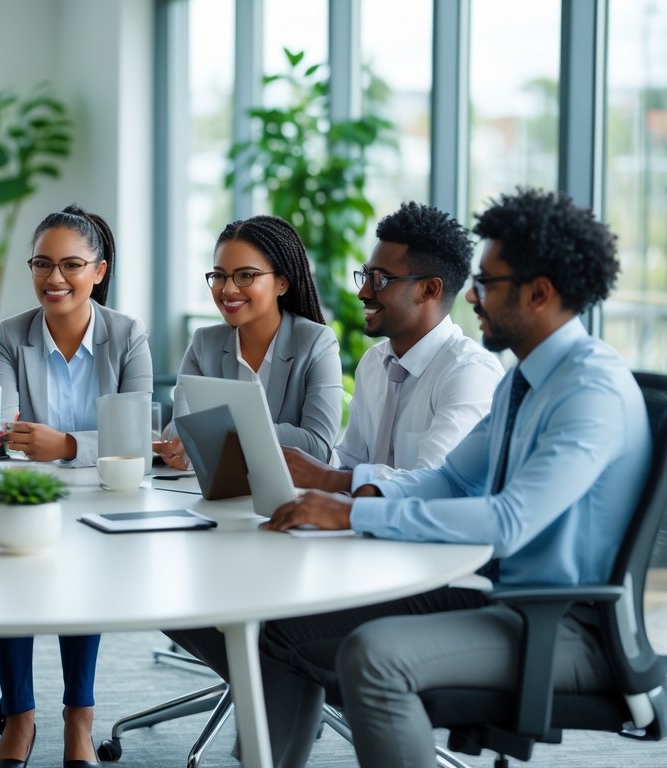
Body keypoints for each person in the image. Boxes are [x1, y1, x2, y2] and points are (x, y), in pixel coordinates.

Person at [253, 187, 648, 768]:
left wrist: (354, 512)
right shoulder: (525, 380)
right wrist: (348, 493)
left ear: (539, 293)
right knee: (278, 620)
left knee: (375, 655)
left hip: (566, 624)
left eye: (488, 284)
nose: (473, 297)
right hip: (499, 595)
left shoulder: (590, 390)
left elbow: (511, 521)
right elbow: (448, 479)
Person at [0, 205, 152, 768]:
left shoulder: (128, 335)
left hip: (105, 491)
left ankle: (79, 715)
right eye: (42, 264)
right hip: (25, 488)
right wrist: (75, 440)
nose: (55, 279)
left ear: (99, 271)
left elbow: (137, 436)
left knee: (85, 579)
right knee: (9, 575)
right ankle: (20, 714)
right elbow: (3, 433)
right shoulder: (12, 334)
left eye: (71, 265)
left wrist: (66, 445)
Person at [283, 201, 503, 491]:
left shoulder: (469, 373)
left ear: (429, 290)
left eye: (380, 279)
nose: (363, 292)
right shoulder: (375, 362)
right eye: (366, 275)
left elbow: (435, 485)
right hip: (363, 530)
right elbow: (350, 462)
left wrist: (328, 478)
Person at [155, 215, 341, 468]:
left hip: (297, 496)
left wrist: (223, 429)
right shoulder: (204, 344)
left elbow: (317, 446)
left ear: (282, 283)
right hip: (221, 491)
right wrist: (177, 439)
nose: (228, 289)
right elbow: (181, 426)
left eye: (245, 275)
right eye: (220, 276)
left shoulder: (316, 343)